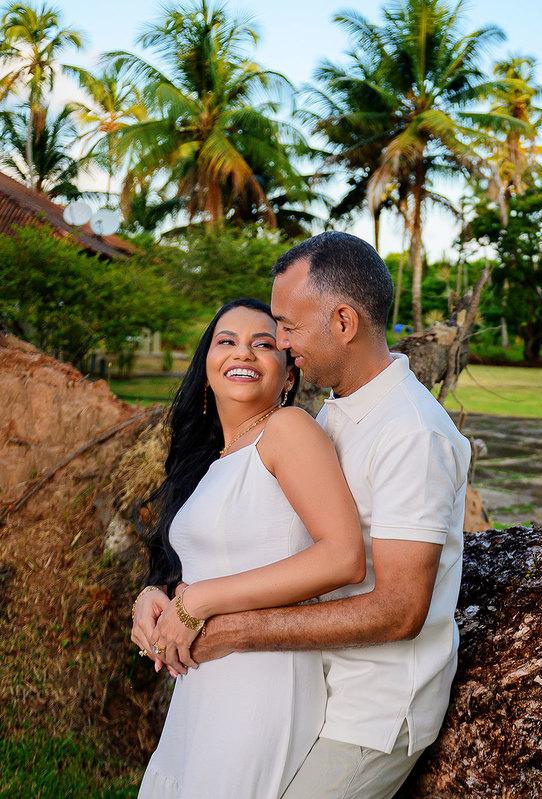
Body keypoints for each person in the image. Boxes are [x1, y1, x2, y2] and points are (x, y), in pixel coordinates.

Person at [158, 231, 473, 798]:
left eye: (289, 326)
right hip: (311, 687)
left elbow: (400, 611)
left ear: (344, 322)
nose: (279, 340)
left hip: (370, 712)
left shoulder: (412, 433)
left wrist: (230, 630)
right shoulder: (337, 411)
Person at [130, 297, 366, 798]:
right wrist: (157, 594)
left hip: (263, 680)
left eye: (264, 344)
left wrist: (200, 601)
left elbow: (343, 555)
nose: (244, 353)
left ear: (286, 376)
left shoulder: (288, 430)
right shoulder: (212, 457)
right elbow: (222, 552)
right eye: (226, 342)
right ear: (208, 368)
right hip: (202, 686)